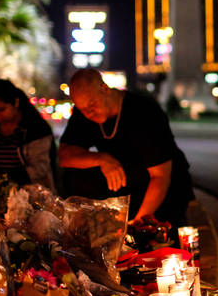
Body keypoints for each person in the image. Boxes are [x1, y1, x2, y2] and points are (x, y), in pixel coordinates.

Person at [58, 69, 193, 225]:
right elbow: (65, 156)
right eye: (82, 110)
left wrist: (137, 224)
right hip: (124, 180)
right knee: (74, 176)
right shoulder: (84, 113)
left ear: (105, 89)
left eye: (92, 105)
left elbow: (160, 178)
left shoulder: (144, 112)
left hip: (163, 184)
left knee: (159, 221)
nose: (89, 113)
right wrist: (101, 159)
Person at [0, 79, 56, 191]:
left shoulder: (36, 130)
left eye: (1, 110)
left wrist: (5, 178)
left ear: (16, 103)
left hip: (35, 195)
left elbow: (40, 168)